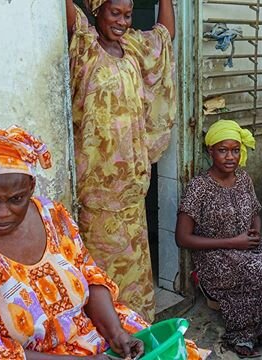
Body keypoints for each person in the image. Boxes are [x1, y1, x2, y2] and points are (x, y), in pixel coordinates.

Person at [0, 126, 147, 359]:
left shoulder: (50, 214)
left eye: (16, 199)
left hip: (95, 336)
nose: (3, 212)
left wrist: (116, 333)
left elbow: (89, 274)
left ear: (30, 189)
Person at [65, 0, 176, 321]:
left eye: (128, 15)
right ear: (97, 10)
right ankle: (105, 331)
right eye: (115, 13)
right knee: (101, 267)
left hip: (131, 187)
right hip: (96, 190)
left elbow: (164, 35)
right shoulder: (85, 46)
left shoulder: (132, 46)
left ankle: (136, 328)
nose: (123, 22)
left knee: (134, 266)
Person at [176, 120, 262, 358]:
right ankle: (243, 333)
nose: (230, 157)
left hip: (246, 245)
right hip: (215, 258)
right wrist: (233, 242)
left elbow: (255, 211)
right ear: (210, 151)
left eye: (235, 150)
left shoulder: (244, 179)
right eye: (223, 150)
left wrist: (255, 231)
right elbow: (183, 238)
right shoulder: (199, 187)